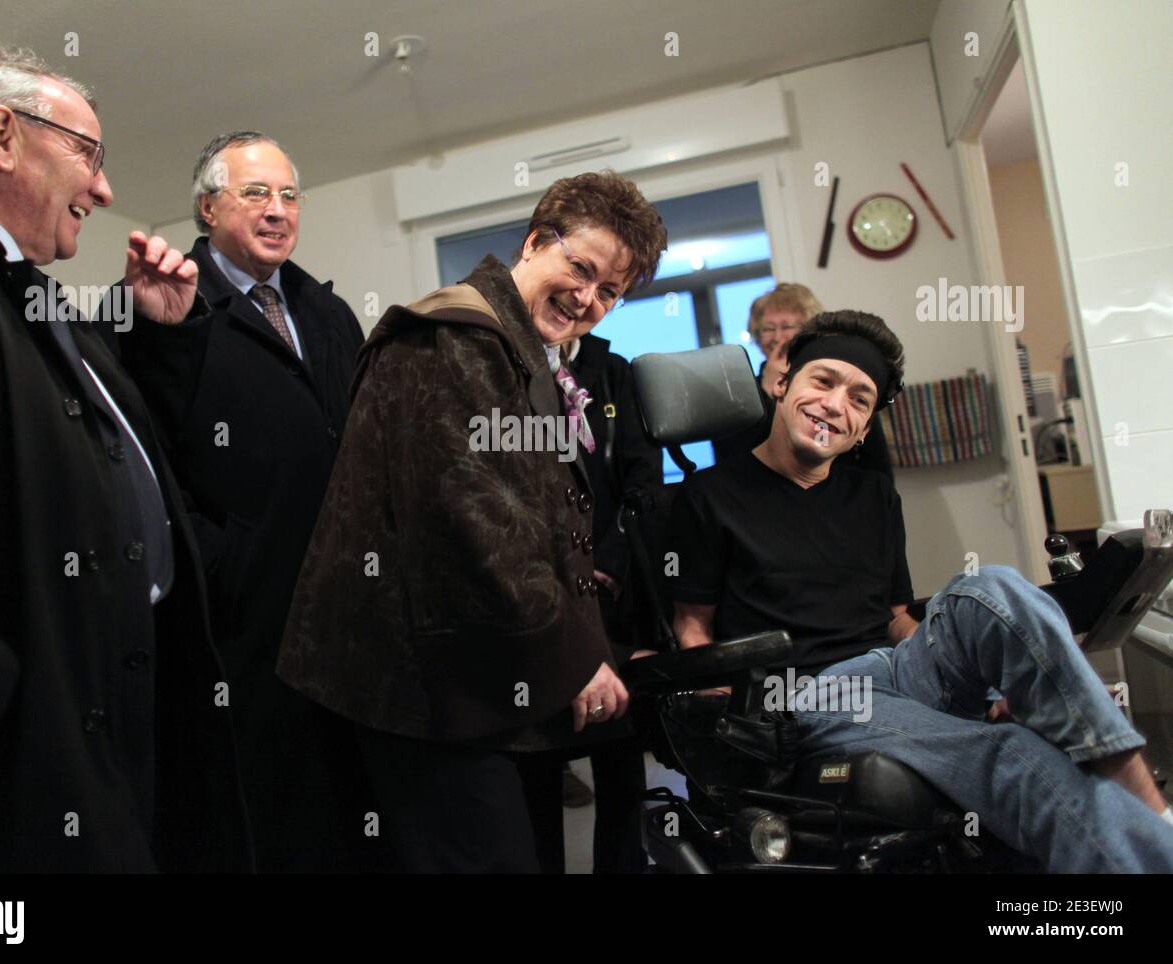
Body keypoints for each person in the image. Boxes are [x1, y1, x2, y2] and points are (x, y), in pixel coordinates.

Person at [0, 43, 250, 872]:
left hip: (112, 713)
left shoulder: (38, 295)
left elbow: (105, 456)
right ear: (2, 136)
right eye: (87, 154)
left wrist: (160, 337)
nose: (106, 189)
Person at [671, 309, 1173, 872]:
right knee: (1012, 755)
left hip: (896, 666)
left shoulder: (874, 498)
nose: (836, 404)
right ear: (784, 384)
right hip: (809, 694)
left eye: (859, 400)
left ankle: (1132, 788)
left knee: (995, 586)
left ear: (864, 428)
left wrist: (1000, 673)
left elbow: (894, 616)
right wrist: (715, 719)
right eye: (823, 381)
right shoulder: (709, 496)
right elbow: (694, 627)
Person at [277, 170, 668, 872]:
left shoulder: (520, 352)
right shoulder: (453, 338)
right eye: (580, 269)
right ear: (535, 242)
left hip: (475, 673)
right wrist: (577, 658)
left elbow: (541, 514)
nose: (587, 299)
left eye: (609, 291)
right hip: (416, 686)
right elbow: (475, 522)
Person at [105, 131, 370, 872]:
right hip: (243, 621)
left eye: (289, 195)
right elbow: (140, 456)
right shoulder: (161, 308)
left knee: (353, 808)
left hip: (346, 608)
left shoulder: (327, 311)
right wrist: (217, 559)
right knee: (268, 819)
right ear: (207, 206)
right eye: (256, 193)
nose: (278, 210)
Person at [518, 322, 664, 873]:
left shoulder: (614, 372)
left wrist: (607, 562)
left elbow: (644, 483)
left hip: (609, 588)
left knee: (621, 752)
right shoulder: (503, 367)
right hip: (537, 594)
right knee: (539, 756)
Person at [715, 282, 890, 475]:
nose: (778, 337)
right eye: (768, 329)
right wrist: (767, 388)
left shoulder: (848, 389)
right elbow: (731, 458)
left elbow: (877, 463)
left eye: (788, 326)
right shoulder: (737, 397)